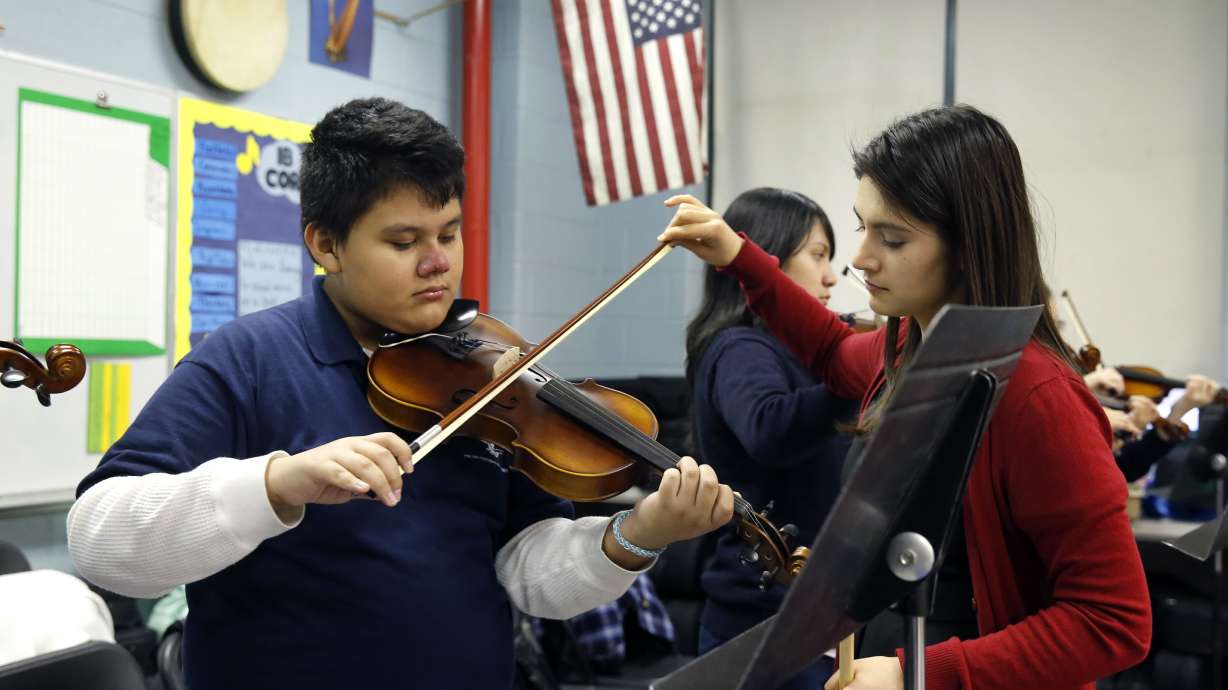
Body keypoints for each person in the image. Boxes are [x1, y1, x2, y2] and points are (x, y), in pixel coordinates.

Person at [66, 98, 735, 690]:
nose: (439, 262)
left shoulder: (490, 374)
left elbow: (529, 572)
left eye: (448, 233)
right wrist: (276, 484)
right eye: (404, 241)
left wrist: (637, 534)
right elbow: (99, 539)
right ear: (325, 244)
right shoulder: (248, 358)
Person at [658, 104, 1151, 690]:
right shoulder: (906, 350)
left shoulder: (1040, 396)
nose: (861, 258)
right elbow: (829, 348)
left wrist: (918, 675)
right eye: (862, 226)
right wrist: (741, 257)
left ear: (969, 246)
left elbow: (1114, 621)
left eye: (891, 238)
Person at [685, 187, 854, 688]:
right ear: (764, 256)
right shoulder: (740, 347)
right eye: (818, 255)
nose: (830, 277)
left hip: (815, 609)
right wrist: (856, 377)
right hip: (762, 622)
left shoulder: (798, 353)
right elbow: (769, 427)